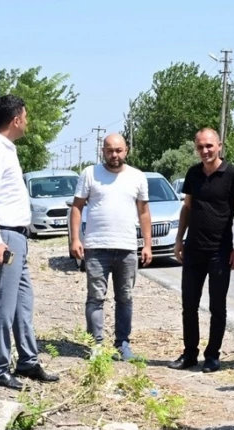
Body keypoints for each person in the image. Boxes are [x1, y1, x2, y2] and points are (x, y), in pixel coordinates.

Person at [0, 94, 59, 390]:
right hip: (4, 237)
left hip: (15, 237)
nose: (28, 121)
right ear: (16, 119)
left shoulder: (4, 149)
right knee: (4, 305)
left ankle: (27, 360)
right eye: (26, 115)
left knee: (23, 303)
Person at [168, 128, 234, 373]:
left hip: (220, 252)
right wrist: (179, 239)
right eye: (201, 146)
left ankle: (212, 356)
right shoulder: (193, 174)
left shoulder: (233, 175)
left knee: (217, 307)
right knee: (189, 305)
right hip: (193, 250)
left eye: (209, 146)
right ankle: (189, 353)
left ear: (219, 146)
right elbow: (187, 208)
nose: (205, 151)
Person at [69, 133, 152, 360]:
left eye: (118, 150)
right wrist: (75, 239)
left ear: (126, 151)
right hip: (96, 247)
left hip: (126, 247)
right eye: (109, 150)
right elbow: (76, 207)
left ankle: (122, 343)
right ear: (102, 151)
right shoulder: (90, 174)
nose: (114, 155)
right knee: (96, 297)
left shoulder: (137, 177)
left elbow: (144, 211)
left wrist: (147, 244)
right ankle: (95, 344)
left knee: (125, 297)